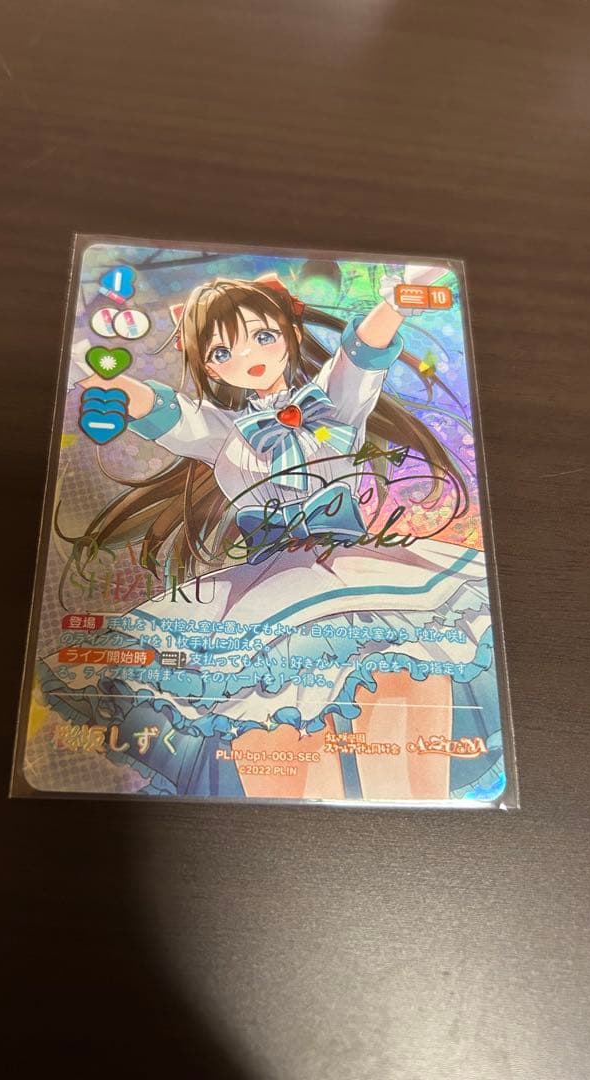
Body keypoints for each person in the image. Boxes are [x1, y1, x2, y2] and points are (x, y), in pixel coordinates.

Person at [71, 272, 495, 801]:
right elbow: (165, 410)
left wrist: (396, 300)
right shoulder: (225, 432)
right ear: (209, 367)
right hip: (271, 582)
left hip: (356, 565)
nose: (248, 356)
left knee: (397, 691)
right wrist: (103, 378)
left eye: (263, 336)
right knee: (277, 720)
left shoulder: (332, 402)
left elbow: (363, 352)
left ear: (291, 335)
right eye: (223, 351)